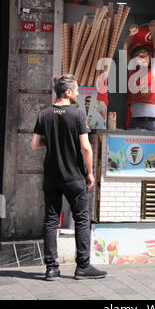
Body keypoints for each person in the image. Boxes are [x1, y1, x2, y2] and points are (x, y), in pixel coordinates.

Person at [30, 74, 107, 281]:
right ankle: (82, 266)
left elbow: (34, 144)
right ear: (68, 92)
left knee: (50, 221)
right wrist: (90, 172)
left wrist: (53, 143)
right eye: (77, 90)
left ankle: (51, 269)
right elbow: (85, 147)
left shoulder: (44, 114)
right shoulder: (77, 115)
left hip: (52, 177)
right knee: (81, 220)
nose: (79, 93)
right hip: (74, 177)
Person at [122, 20, 155, 131]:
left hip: (154, 122)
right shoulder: (132, 70)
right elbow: (124, 50)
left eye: (144, 54)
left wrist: (153, 30)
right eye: (137, 55)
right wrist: (131, 35)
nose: (141, 56)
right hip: (135, 121)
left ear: (150, 58)